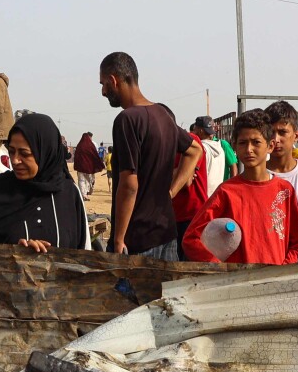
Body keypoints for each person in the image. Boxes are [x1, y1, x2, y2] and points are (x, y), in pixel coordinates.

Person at [100, 52, 203, 258]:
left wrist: (119, 238)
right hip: (166, 233)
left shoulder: (127, 120)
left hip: (137, 239)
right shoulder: (163, 115)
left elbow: (129, 185)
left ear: (114, 80)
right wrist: (170, 193)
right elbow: (194, 150)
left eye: (103, 84)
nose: (103, 91)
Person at [182, 109, 298, 265]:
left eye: (256, 142)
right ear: (234, 145)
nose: (249, 149)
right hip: (238, 285)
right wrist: (218, 268)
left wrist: (283, 269)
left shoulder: (284, 191)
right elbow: (191, 239)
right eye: (243, 143)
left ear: (270, 145)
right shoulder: (226, 192)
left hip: (276, 284)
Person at [0, 113, 88, 251]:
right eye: (12, 151)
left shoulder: (69, 194)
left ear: (45, 153)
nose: (15, 160)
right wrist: (12, 252)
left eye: (25, 154)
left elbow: (82, 253)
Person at [190, 117, 227, 195]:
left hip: (203, 197)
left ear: (200, 131)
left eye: (195, 129)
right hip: (216, 196)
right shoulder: (220, 149)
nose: (193, 132)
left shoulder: (200, 149)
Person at [71, 132, 104, 200]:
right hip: (89, 167)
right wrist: (99, 164)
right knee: (88, 180)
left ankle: (83, 194)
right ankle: (85, 193)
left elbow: (76, 156)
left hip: (80, 167)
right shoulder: (90, 145)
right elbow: (95, 155)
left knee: (81, 181)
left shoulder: (79, 145)